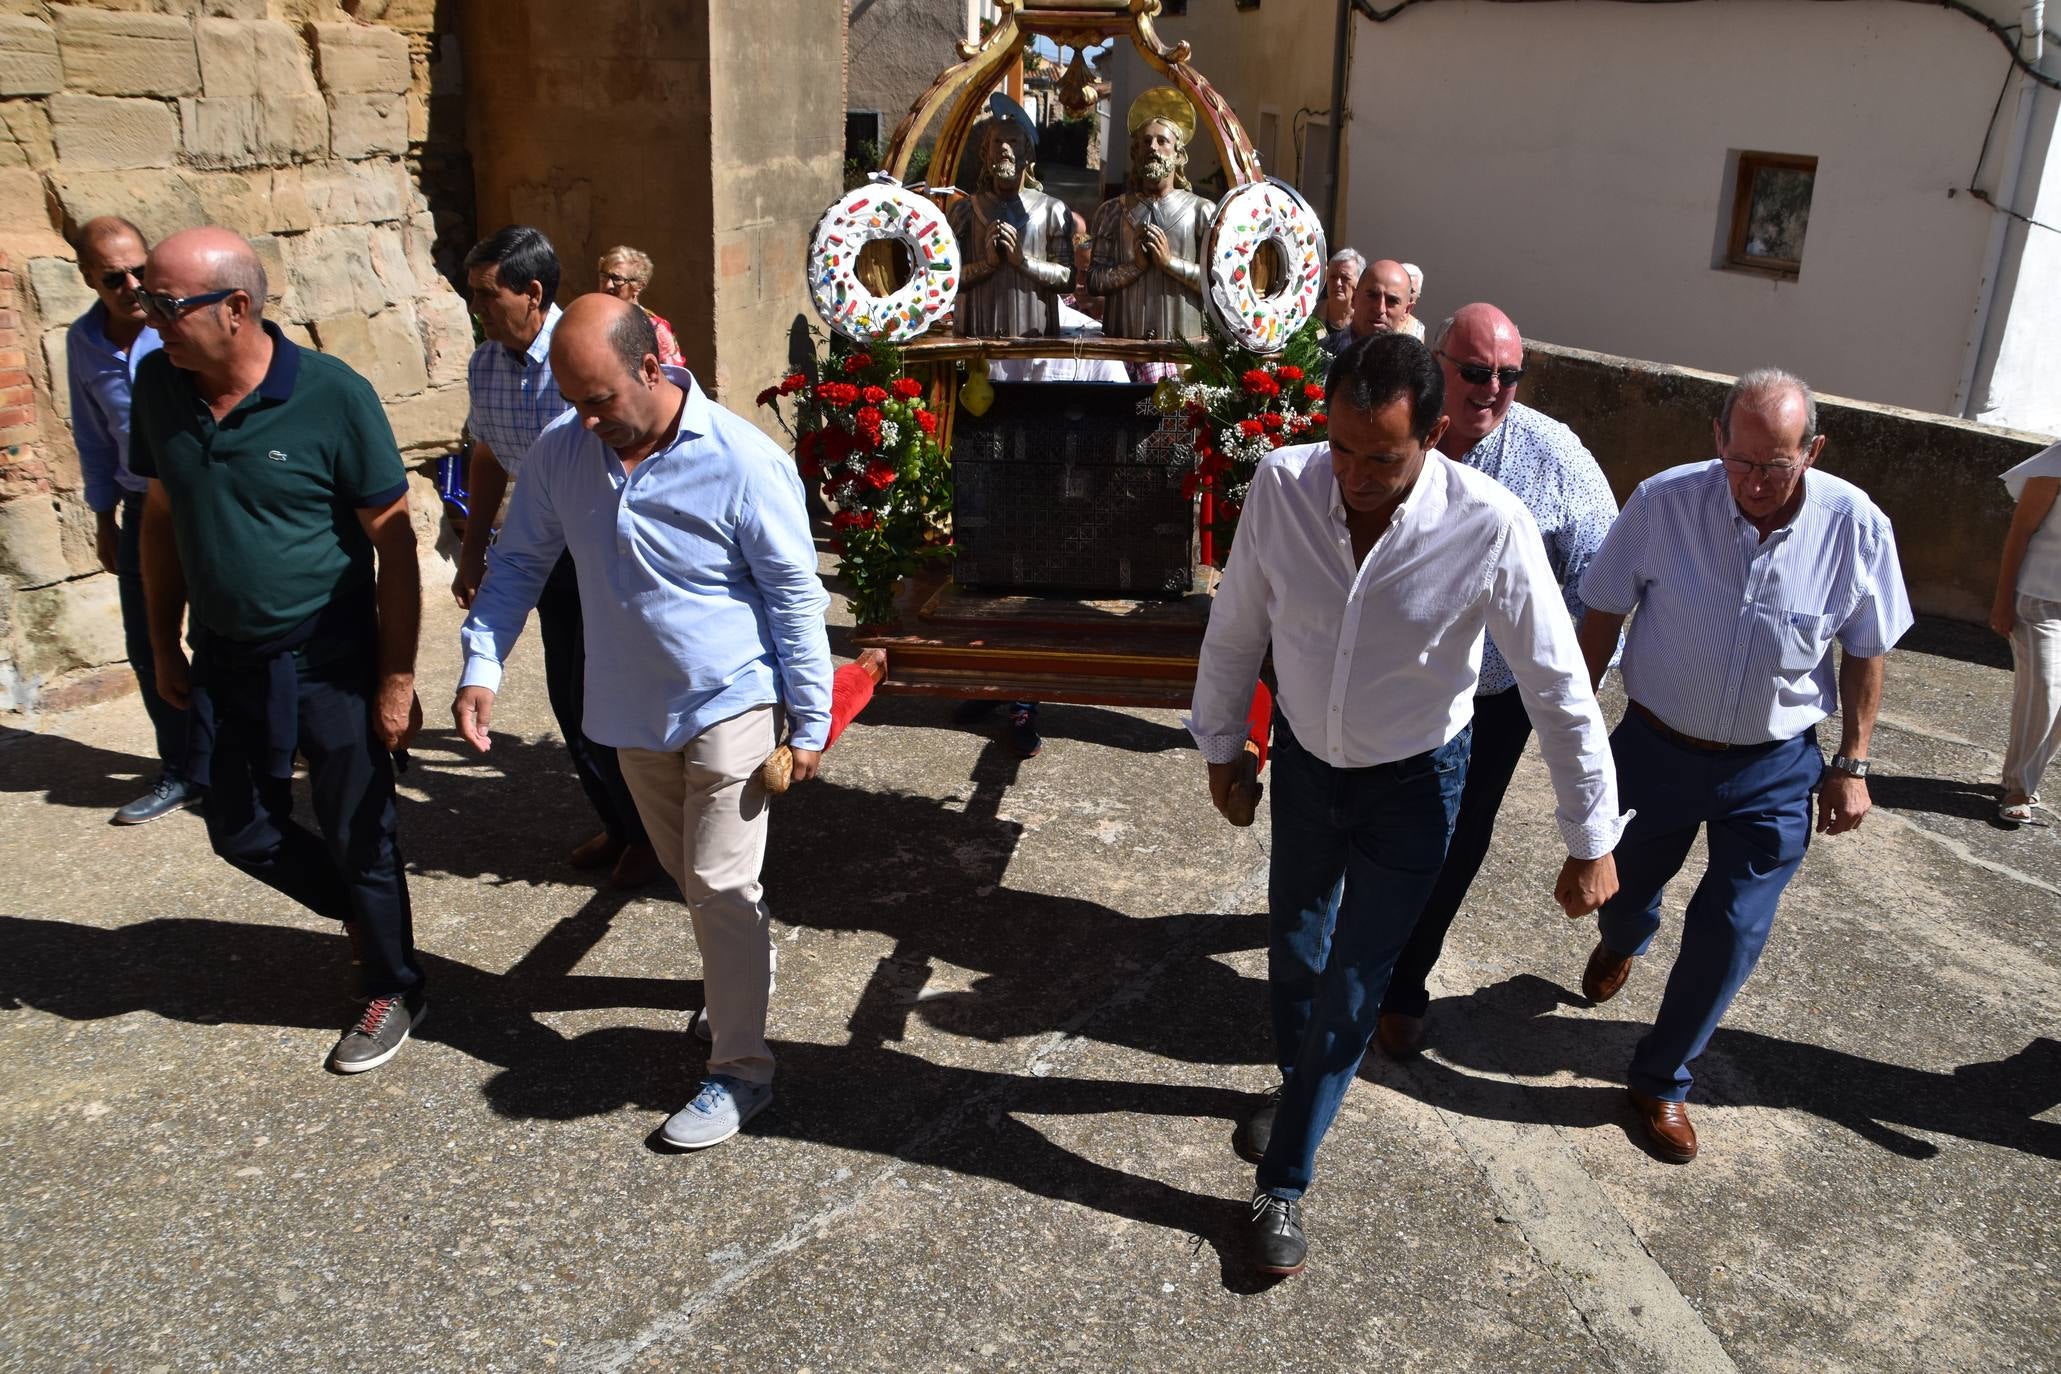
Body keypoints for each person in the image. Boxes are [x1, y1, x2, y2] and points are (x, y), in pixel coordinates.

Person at [1189, 333, 1625, 1277]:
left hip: (1416, 789)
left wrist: (1591, 834)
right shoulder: (1282, 485)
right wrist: (1222, 744)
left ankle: (1284, 1181)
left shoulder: (1490, 524)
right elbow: (1237, 625)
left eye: (1379, 456)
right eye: (1340, 447)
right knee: (1296, 952)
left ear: (1433, 436)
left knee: (1354, 981)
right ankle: (1302, 1086)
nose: (1350, 474)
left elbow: (1556, 684)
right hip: (1307, 766)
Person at [454, 294, 833, 1151]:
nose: (587, 420)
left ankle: (741, 1071)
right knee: (692, 878)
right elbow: (517, 562)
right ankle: (746, 964)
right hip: (627, 709)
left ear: (653, 369)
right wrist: (483, 663)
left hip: (731, 698)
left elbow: (794, 597)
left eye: (600, 400)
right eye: (573, 402)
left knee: (721, 882)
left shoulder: (742, 460)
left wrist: (809, 721)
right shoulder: (563, 453)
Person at [1574, 368, 1912, 1164]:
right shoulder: (1661, 504)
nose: (1755, 483)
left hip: (1774, 767)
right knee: (1623, 898)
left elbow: (1864, 652)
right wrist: (1576, 734)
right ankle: (1627, 938)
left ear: (1813, 450)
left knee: (1730, 929)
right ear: (1716, 439)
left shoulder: (1855, 525)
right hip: (1654, 750)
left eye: (1778, 465)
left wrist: (1852, 762)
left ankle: (1661, 1080)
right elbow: (1600, 614)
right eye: (1741, 461)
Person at [131, 227, 428, 1073]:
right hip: (226, 653)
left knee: (358, 829)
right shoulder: (160, 386)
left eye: (166, 303)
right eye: (146, 300)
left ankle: (395, 983)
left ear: (236, 308)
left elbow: (395, 544)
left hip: (328, 653)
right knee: (240, 830)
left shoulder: (332, 395)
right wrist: (162, 641)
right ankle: (369, 918)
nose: (150, 319)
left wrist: (396, 678)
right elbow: (159, 520)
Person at [1373, 304, 1619, 1057]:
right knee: (1368, 825)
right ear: (1437, 362)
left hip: (1492, 697)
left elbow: (1602, 584)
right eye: (1474, 372)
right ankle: (1350, 950)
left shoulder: (1556, 459)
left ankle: (1403, 982)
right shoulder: (1394, 430)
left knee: (1456, 838)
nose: (1491, 390)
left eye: (1508, 376)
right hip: (1393, 680)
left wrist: (1558, 694)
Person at [452, 226, 657, 889]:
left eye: (486, 295)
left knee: (618, 699)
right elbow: (486, 455)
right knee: (571, 702)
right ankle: (627, 829)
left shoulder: (588, 356)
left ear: (532, 292)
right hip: (543, 555)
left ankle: (655, 835)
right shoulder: (486, 363)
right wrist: (472, 550)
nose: (476, 307)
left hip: (609, 553)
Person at [64, 216, 196, 825]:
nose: (130, 285)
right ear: (89, 278)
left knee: (234, 634)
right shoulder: (83, 343)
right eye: (113, 277)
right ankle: (184, 769)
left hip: (203, 501)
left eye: (139, 270)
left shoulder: (181, 329)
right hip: (142, 508)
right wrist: (103, 518)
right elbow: (92, 436)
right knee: (149, 644)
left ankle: (261, 750)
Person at [1088, 87, 1215, 344]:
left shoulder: (1202, 212)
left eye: (1162, 141)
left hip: (1183, 351)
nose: (1152, 148)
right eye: (1145, 142)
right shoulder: (1112, 212)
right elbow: (1093, 281)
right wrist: (1134, 267)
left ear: (1179, 155)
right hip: (1122, 346)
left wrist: (1169, 263)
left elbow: (1216, 284)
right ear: (1135, 153)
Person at [949, 95, 1074, 338]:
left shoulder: (1052, 211)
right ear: (986, 153)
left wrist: (1022, 262)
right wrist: (987, 265)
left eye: (1013, 141)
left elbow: (1067, 278)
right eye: (997, 142)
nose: (1004, 148)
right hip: (976, 338)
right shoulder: (965, 211)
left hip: (1035, 340)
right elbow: (947, 278)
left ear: (1027, 154)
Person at [1989, 440, 2061, 823]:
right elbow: (2020, 532)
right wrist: (2002, 601)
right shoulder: (2055, 465)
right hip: (2038, 598)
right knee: (2045, 689)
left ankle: (2024, 775)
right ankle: (2019, 786)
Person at [597, 245, 686, 366]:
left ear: (639, 286)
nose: (608, 285)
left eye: (617, 279)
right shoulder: (592, 319)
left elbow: (672, 376)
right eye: (604, 276)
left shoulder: (656, 328)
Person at [1345, 259, 1419, 342]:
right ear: (1354, 298)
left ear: (1406, 310)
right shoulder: (1329, 350)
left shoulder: (1409, 354)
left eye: (1392, 301)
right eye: (1372, 296)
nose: (1380, 309)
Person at [1319, 248, 1363, 346]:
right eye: (1333, 277)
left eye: (1345, 278)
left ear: (1359, 283)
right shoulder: (1311, 315)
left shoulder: (1365, 321)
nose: (1337, 283)